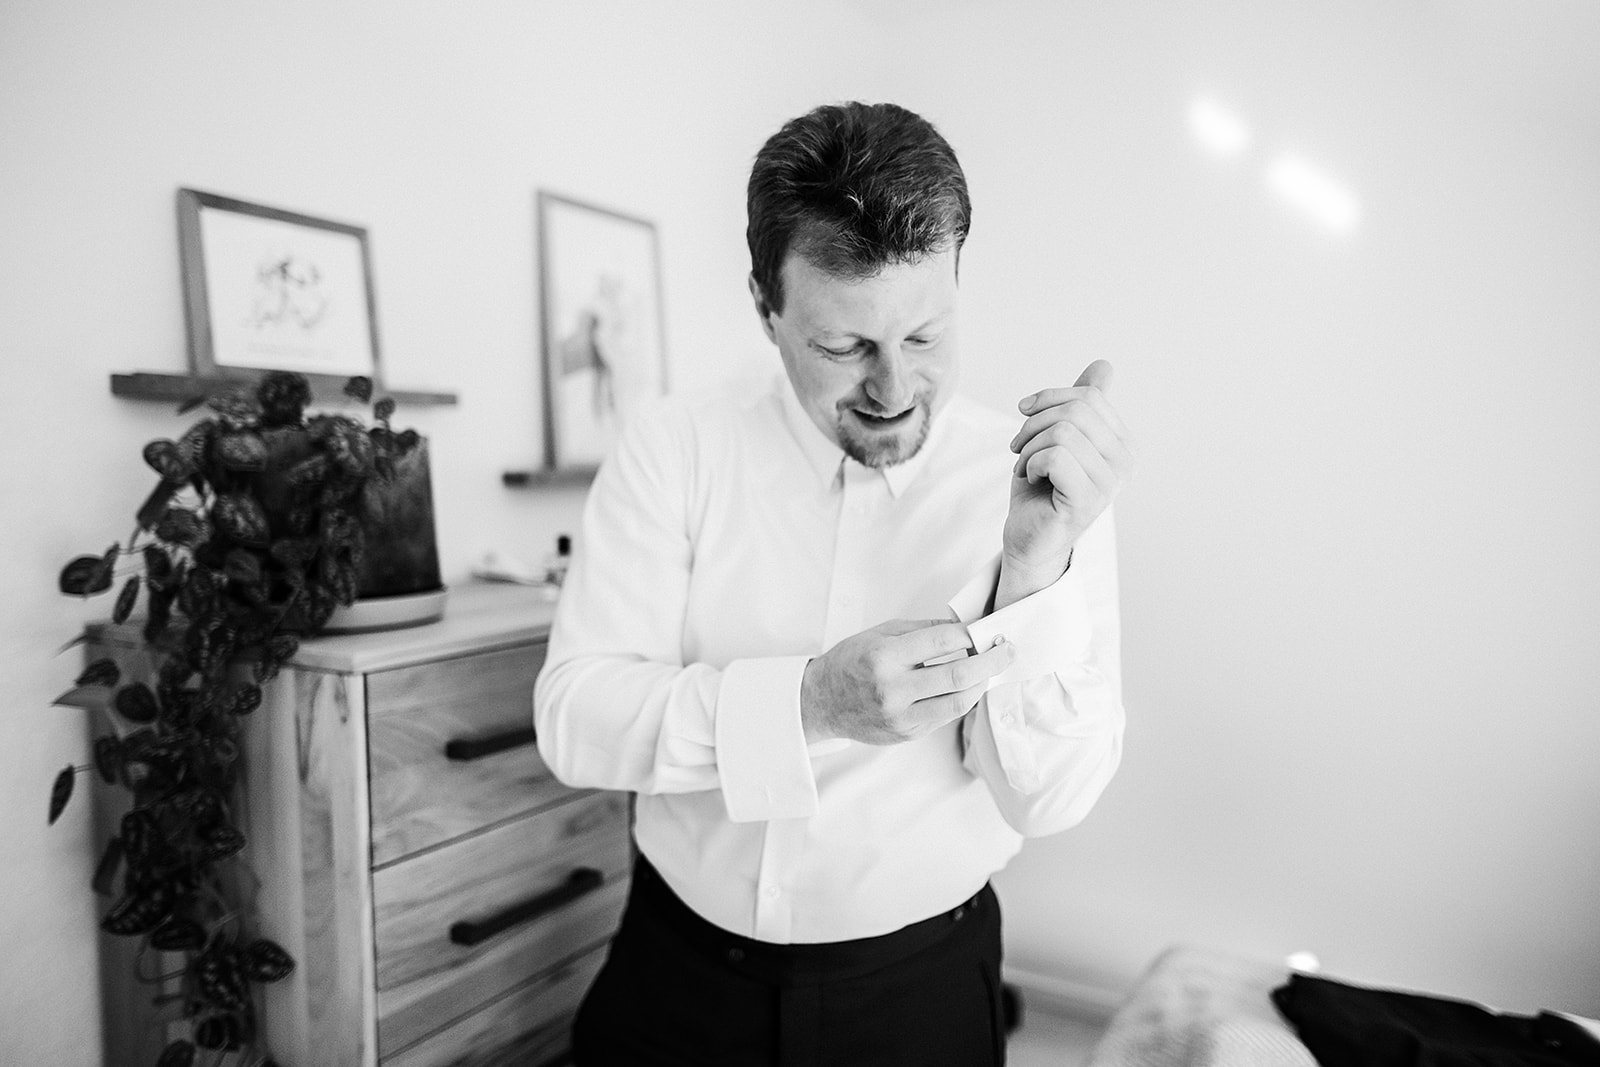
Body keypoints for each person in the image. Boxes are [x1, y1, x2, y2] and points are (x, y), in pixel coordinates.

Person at [533, 100, 1134, 1066]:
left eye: (925, 336)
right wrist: (808, 703)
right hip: (675, 978)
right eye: (844, 346)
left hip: (919, 997)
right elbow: (575, 718)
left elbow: (1048, 801)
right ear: (765, 307)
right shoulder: (675, 447)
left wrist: (1032, 572)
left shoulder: (1040, 486)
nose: (894, 390)